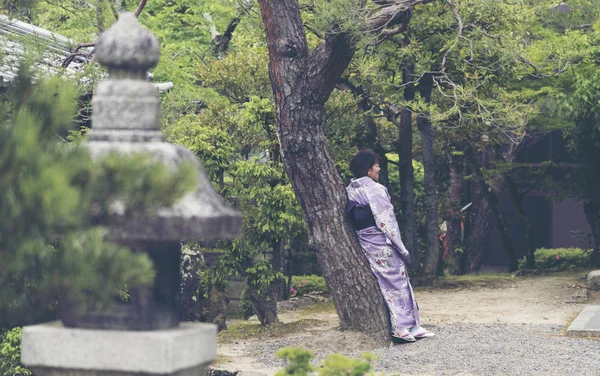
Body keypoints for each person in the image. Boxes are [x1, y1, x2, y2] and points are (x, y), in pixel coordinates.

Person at [346, 150, 434, 343]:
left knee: (391, 282)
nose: (379, 168)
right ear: (368, 169)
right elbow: (386, 220)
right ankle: (402, 327)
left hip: (366, 241)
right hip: (381, 241)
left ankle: (412, 325)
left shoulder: (351, 189)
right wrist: (401, 247)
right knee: (397, 281)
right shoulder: (375, 189)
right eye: (376, 165)